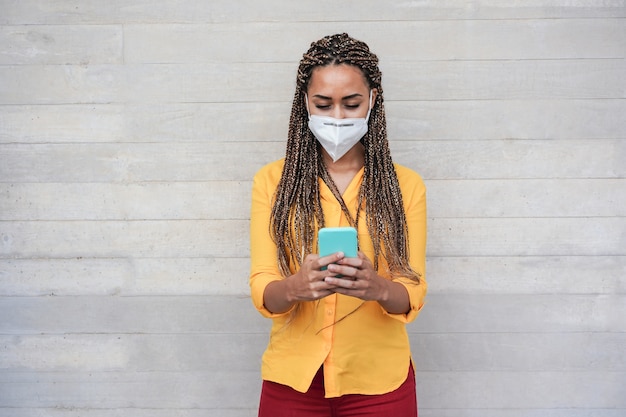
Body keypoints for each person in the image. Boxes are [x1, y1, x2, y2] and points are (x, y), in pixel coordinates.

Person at [249, 33, 427, 417]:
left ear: (373, 100)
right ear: (305, 104)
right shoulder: (273, 182)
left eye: (351, 104)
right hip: (292, 379)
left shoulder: (406, 186)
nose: (338, 117)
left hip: (381, 382)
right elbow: (263, 286)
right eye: (323, 104)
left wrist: (377, 287)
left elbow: (412, 290)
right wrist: (296, 287)